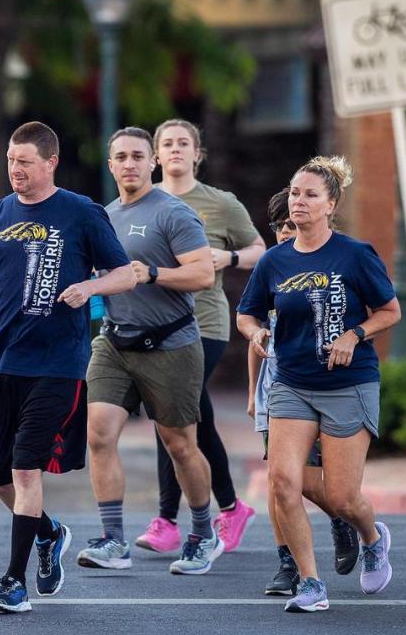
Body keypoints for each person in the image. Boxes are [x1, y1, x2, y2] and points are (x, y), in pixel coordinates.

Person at [0, 121, 135, 613]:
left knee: (25, 471)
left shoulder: (81, 213)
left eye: (24, 161)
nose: (14, 169)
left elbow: (125, 273)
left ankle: (13, 584)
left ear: (49, 163)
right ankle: (49, 532)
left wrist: (89, 289)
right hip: (0, 361)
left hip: (57, 363)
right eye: (10, 160)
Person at [238, 156, 401, 612]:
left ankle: (371, 536)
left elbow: (390, 310)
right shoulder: (274, 261)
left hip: (348, 384)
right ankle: (311, 583)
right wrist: (255, 333)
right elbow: (246, 313)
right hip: (292, 383)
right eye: (295, 192)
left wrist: (355, 334)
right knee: (283, 481)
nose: (300, 201)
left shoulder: (354, 254)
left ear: (331, 204)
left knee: (342, 496)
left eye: (311, 194)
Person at [77, 127, 221, 575]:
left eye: (138, 156)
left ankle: (202, 534)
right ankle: (114, 540)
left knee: (180, 445)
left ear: (151, 163)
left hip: (170, 344)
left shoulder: (173, 213)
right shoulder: (103, 215)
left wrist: (151, 273)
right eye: (120, 156)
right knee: (98, 433)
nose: (130, 164)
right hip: (115, 341)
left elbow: (202, 275)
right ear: (111, 164)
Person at [134, 119, 265, 554]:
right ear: (156, 155)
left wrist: (227, 256)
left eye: (183, 143)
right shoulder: (140, 203)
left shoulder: (220, 203)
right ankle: (229, 507)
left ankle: (168, 520)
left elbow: (259, 251)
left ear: (197, 154)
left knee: (170, 415)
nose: (174, 150)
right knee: (189, 419)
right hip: (150, 323)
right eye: (166, 144)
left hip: (203, 324)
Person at [247, 189, 359, 596]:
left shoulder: (331, 267)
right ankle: (288, 565)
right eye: (279, 226)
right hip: (275, 388)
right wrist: (250, 394)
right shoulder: (272, 266)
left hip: (320, 385)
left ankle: (342, 518)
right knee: (280, 482)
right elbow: (255, 331)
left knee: (312, 485)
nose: (285, 233)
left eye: (291, 225)